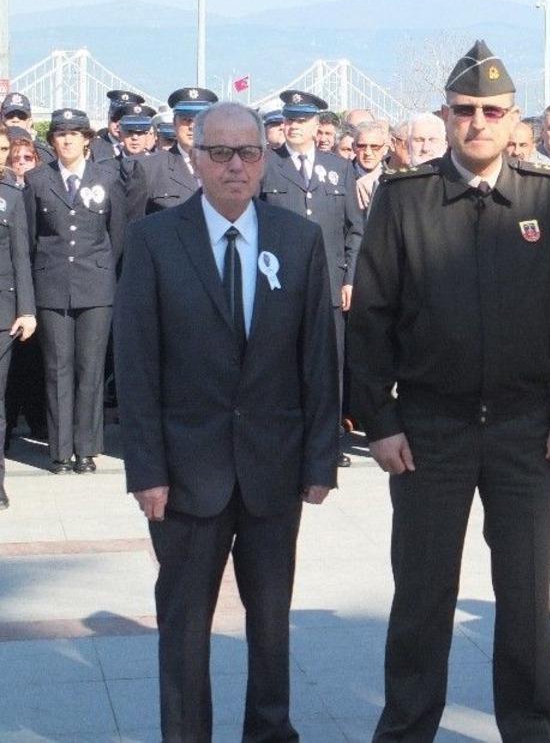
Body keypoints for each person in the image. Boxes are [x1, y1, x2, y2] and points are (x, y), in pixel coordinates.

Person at [347, 40, 550, 742]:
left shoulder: (547, 199)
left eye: (493, 110)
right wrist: (381, 421)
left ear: (514, 120)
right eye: (465, 110)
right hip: (430, 433)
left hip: (526, 431)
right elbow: (370, 320)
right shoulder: (405, 200)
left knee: (525, 602)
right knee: (423, 600)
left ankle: (532, 731)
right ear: (446, 115)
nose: (478, 122)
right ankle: (406, 731)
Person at [115, 102, 339, 742]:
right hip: (188, 476)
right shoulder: (156, 241)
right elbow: (137, 366)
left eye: (247, 153)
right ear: (195, 156)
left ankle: (269, 733)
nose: (234, 166)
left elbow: (317, 358)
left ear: (263, 158)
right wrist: (147, 471)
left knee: (271, 625)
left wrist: (320, 460)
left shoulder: (298, 239)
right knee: (184, 625)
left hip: (274, 468)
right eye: (220, 153)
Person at [260, 90, 363, 468]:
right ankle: (287, 441)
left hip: (329, 287)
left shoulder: (339, 168)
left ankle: (327, 441)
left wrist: (350, 278)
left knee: (328, 367)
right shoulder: (267, 166)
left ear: (316, 125)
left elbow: (355, 229)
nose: (293, 126)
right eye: (288, 119)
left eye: (301, 120)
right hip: (279, 286)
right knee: (283, 366)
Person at [23, 108, 127, 474]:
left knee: (90, 368)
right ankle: (60, 450)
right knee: (56, 368)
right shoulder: (37, 180)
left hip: (96, 285)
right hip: (51, 285)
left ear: (87, 139)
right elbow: (32, 239)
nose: (66, 140)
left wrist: (105, 274)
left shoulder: (108, 177)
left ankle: (86, 448)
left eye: (74, 134)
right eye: (60, 134)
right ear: (52, 140)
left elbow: (117, 234)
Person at [0, 128, 37, 509]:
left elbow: (20, 257)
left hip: (2, 314)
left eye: (5, 149)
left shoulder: (11, 198)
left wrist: (27, 309)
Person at [136, 87, 219, 216]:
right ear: (174, 124)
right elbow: (135, 227)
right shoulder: (150, 169)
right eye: (186, 120)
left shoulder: (226, 166)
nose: (192, 126)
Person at [91, 90, 146, 162]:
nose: (118, 124)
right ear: (108, 117)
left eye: (124, 120)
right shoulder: (93, 147)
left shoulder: (146, 149)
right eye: (115, 119)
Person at [352, 120, 393, 212]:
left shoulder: (394, 179)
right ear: (354, 147)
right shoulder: (342, 176)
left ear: (385, 148)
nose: (368, 152)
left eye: (374, 147)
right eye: (362, 146)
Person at [3, 92, 54, 163]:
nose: (15, 120)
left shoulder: (42, 153)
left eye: (21, 116)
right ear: (2, 120)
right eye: (10, 115)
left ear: (29, 122)